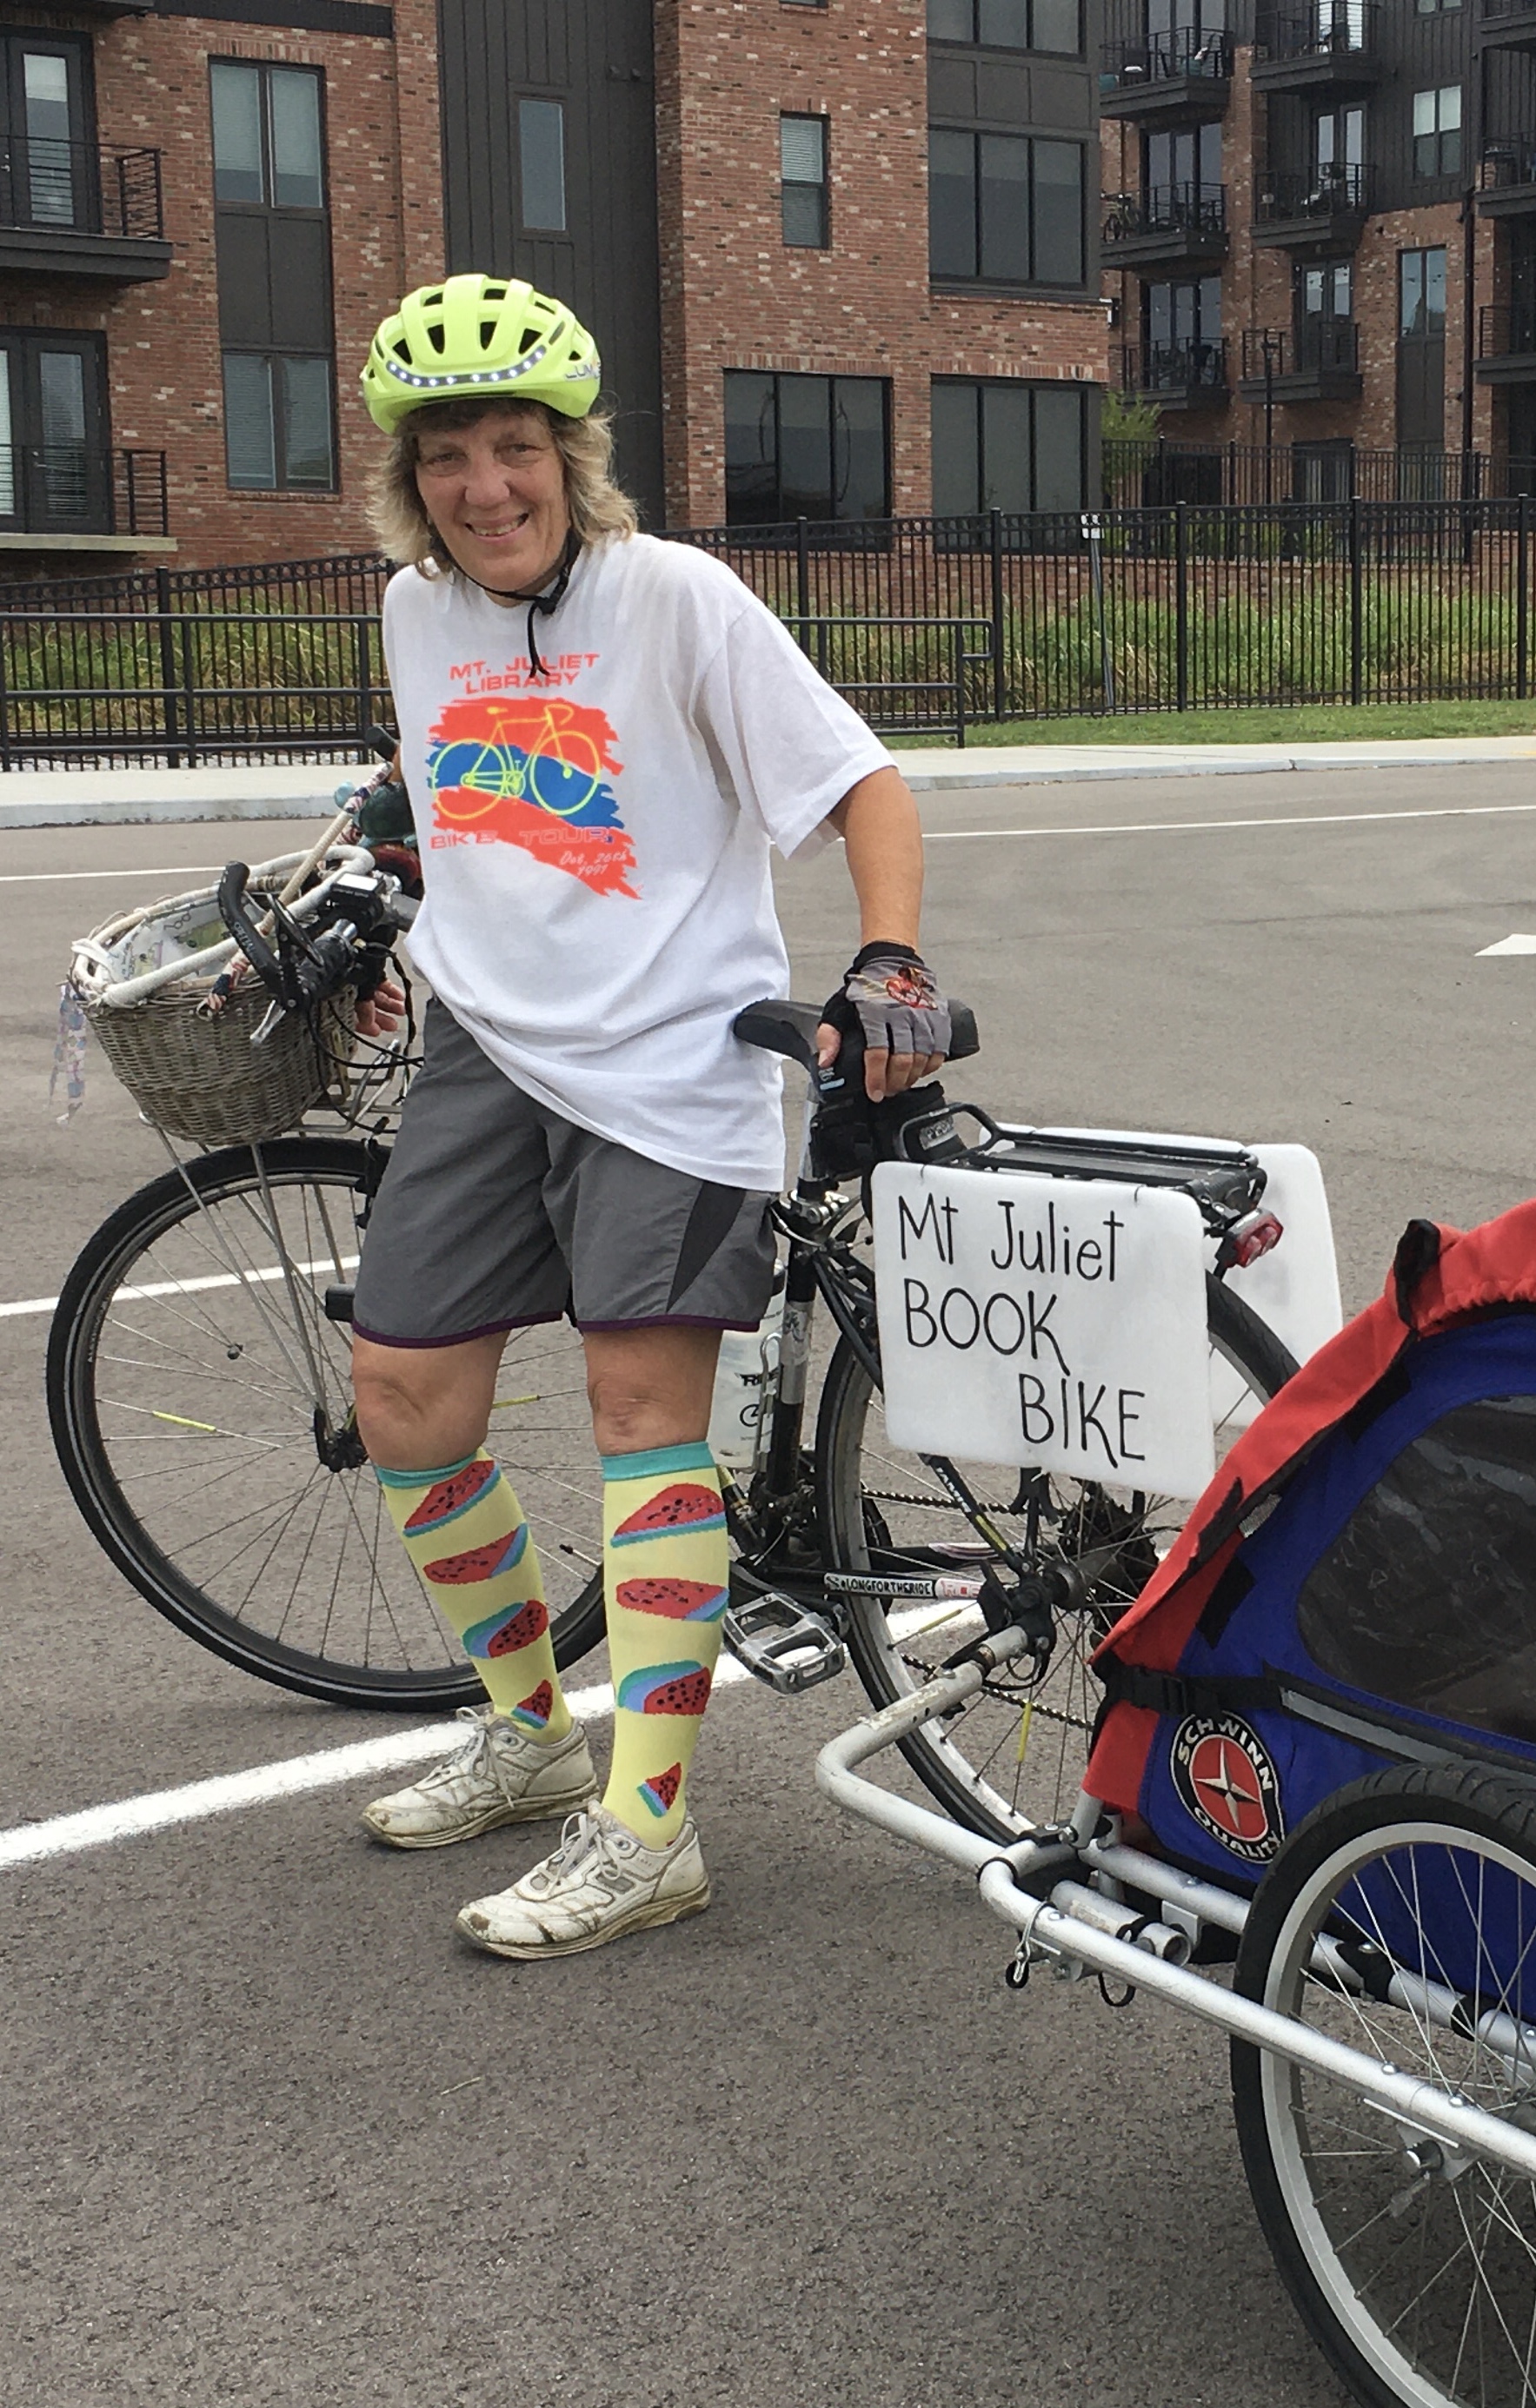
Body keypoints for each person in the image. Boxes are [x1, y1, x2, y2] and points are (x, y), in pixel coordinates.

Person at [347, 272, 949, 1959]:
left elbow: (861, 782)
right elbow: (453, 803)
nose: (486, 486)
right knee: (403, 1396)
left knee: (639, 1416)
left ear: (571, 454)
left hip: (672, 1066)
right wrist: (387, 920)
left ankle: (649, 1824)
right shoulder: (412, 612)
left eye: (515, 446)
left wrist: (889, 954)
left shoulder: (674, 597)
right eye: (449, 455)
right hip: (489, 1051)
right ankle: (533, 1729)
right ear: (412, 479)